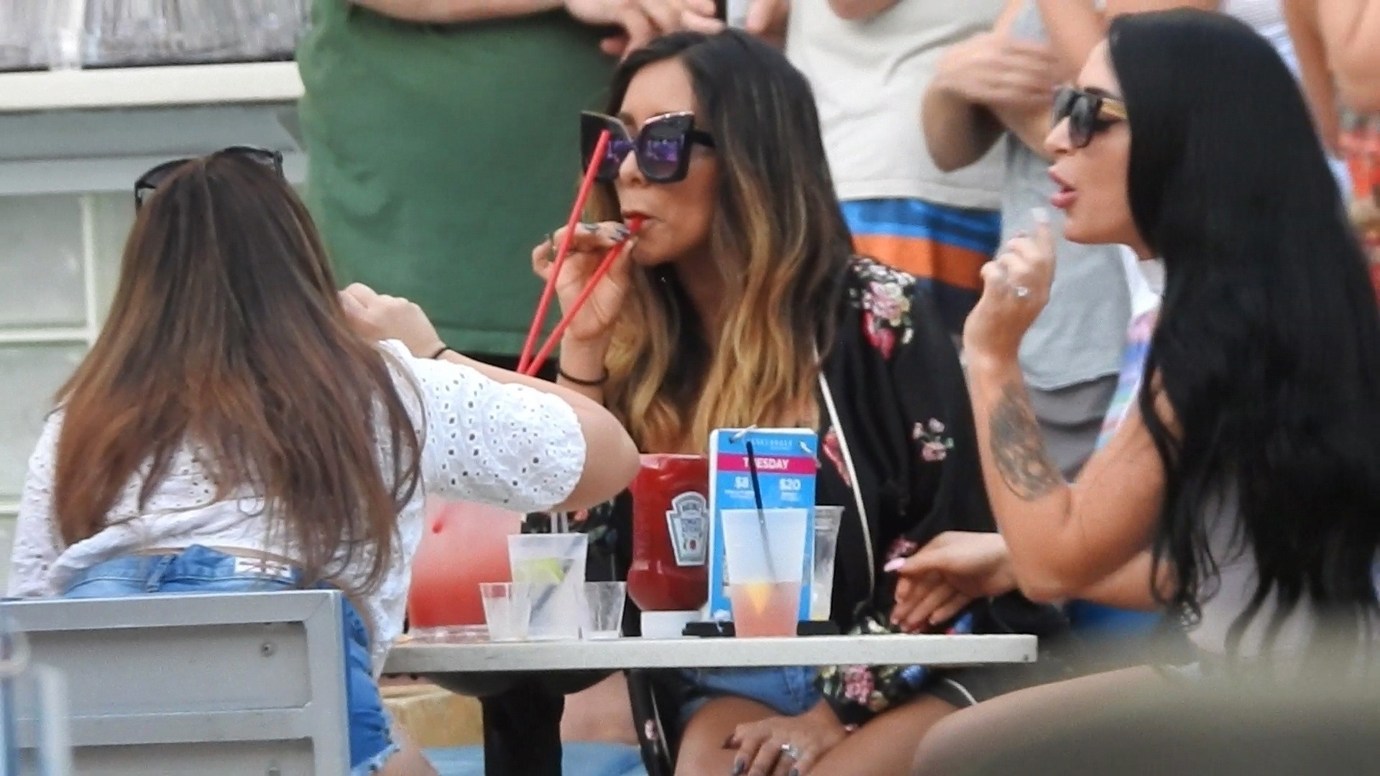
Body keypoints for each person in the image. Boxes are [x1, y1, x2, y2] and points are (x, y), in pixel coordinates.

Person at [507, 30, 1069, 776]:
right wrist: (583, 351)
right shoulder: (633, 347)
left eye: (664, 141)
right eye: (614, 143)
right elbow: (565, 606)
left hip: (915, 665)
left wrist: (833, 712)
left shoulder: (875, 312)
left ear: (752, 158)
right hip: (728, 677)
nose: (632, 169)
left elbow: (947, 552)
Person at [6, 148, 640, 776]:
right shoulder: (382, 388)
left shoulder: (80, 419)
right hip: (292, 693)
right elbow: (610, 456)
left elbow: (29, 619)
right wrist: (430, 352)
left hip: (101, 722)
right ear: (301, 266)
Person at [903, 10, 1380, 772]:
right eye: (1064, 105)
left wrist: (992, 357)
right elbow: (1232, 563)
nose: (1058, 137)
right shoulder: (1261, 292)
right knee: (960, 748)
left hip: (1297, 709)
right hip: (1278, 682)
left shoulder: (1218, 323)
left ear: (1188, 136)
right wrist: (1008, 556)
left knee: (963, 756)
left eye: (1091, 113)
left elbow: (1057, 562)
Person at [921, 0, 1132, 481]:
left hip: (1110, 336)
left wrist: (1027, 107)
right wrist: (949, 82)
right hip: (1032, 334)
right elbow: (949, 150)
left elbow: (1135, 132)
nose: (1062, 136)